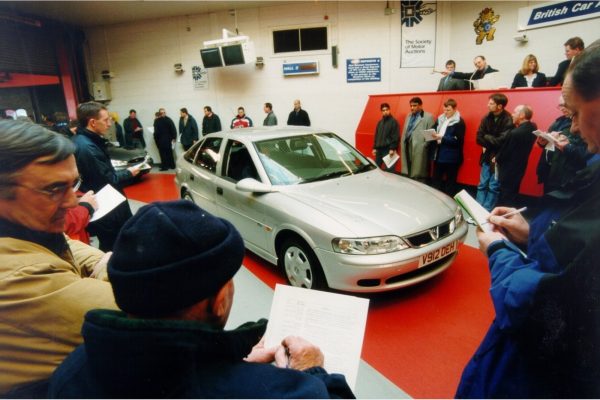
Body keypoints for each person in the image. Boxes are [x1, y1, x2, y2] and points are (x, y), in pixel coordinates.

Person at [49, 200, 355, 399]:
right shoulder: (278, 392)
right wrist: (313, 373)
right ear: (219, 300)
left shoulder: (72, 372)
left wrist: (227, 362)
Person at [455, 43, 600, 399]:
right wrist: (532, 231)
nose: (574, 126)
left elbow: (545, 308)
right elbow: (568, 244)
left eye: (576, 112)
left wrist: (499, 251)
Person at [0, 120, 117, 397]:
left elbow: (67, 243)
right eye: (53, 189)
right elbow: (136, 308)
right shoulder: (19, 276)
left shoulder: (23, 227)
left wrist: (100, 266)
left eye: (73, 184)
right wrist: (111, 266)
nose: (72, 202)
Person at [72, 101, 140, 251]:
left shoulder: (85, 141)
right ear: (92, 122)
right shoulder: (88, 148)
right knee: (116, 245)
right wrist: (129, 172)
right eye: (106, 120)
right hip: (108, 206)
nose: (109, 124)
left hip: (108, 203)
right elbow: (106, 180)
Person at [535, 96, 589, 194]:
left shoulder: (585, 122)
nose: (562, 108)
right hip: (550, 171)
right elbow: (550, 145)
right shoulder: (559, 121)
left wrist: (567, 144)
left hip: (568, 176)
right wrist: (543, 142)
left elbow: (585, 154)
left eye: (564, 105)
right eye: (560, 106)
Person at [474, 93, 513, 211]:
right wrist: (491, 140)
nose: (488, 105)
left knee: (493, 187)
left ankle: (486, 211)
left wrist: (486, 136)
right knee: (482, 184)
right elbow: (478, 138)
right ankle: (476, 209)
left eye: (491, 103)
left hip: (499, 157)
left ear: (500, 106)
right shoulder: (486, 118)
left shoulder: (508, 119)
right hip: (486, 156)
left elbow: (502, 141)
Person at [495, 105, 537, 207]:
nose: (512, 115)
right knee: (513, 193)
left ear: (522, 115)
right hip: (520, 167)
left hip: (508, 170)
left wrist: (497, 158)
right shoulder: (532, 128)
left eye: (514, 112)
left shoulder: (515, 133)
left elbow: (505, 152)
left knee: (505, 196)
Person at [430, 98, 465, 196]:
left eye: (448, 110)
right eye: (444, 110)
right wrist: (430, 133)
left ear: (455, 109)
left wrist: (442, 137)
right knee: (436, 181)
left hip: (452, 158)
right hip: (439, 155)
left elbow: (458, 141)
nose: (445, 112)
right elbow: (434, 129)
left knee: (450, 183)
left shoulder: (459, 122)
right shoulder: (441, 119)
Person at [400, 97, 435, 182]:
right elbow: (405, 130)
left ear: (420, 106)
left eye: (415, 105)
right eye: (411, 106)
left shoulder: (428, 116)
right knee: (408, 168)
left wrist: (424, 146)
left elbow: (431, 136)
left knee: (418, 172)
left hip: (419, 148)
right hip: (407, 145)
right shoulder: (408, 116)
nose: (412, 108)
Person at [372, 102, 400, 171]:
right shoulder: (380, 123)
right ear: (381, 112)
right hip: (379, 150)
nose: (385, 112)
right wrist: (374, 148)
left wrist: (392, 148)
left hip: (388, 150)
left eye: (387, 110)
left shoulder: (393, 122)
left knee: (390, 170)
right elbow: (376, 136)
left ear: (389, 110)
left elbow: (395, 136)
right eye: (383, 110)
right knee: (376, 169)